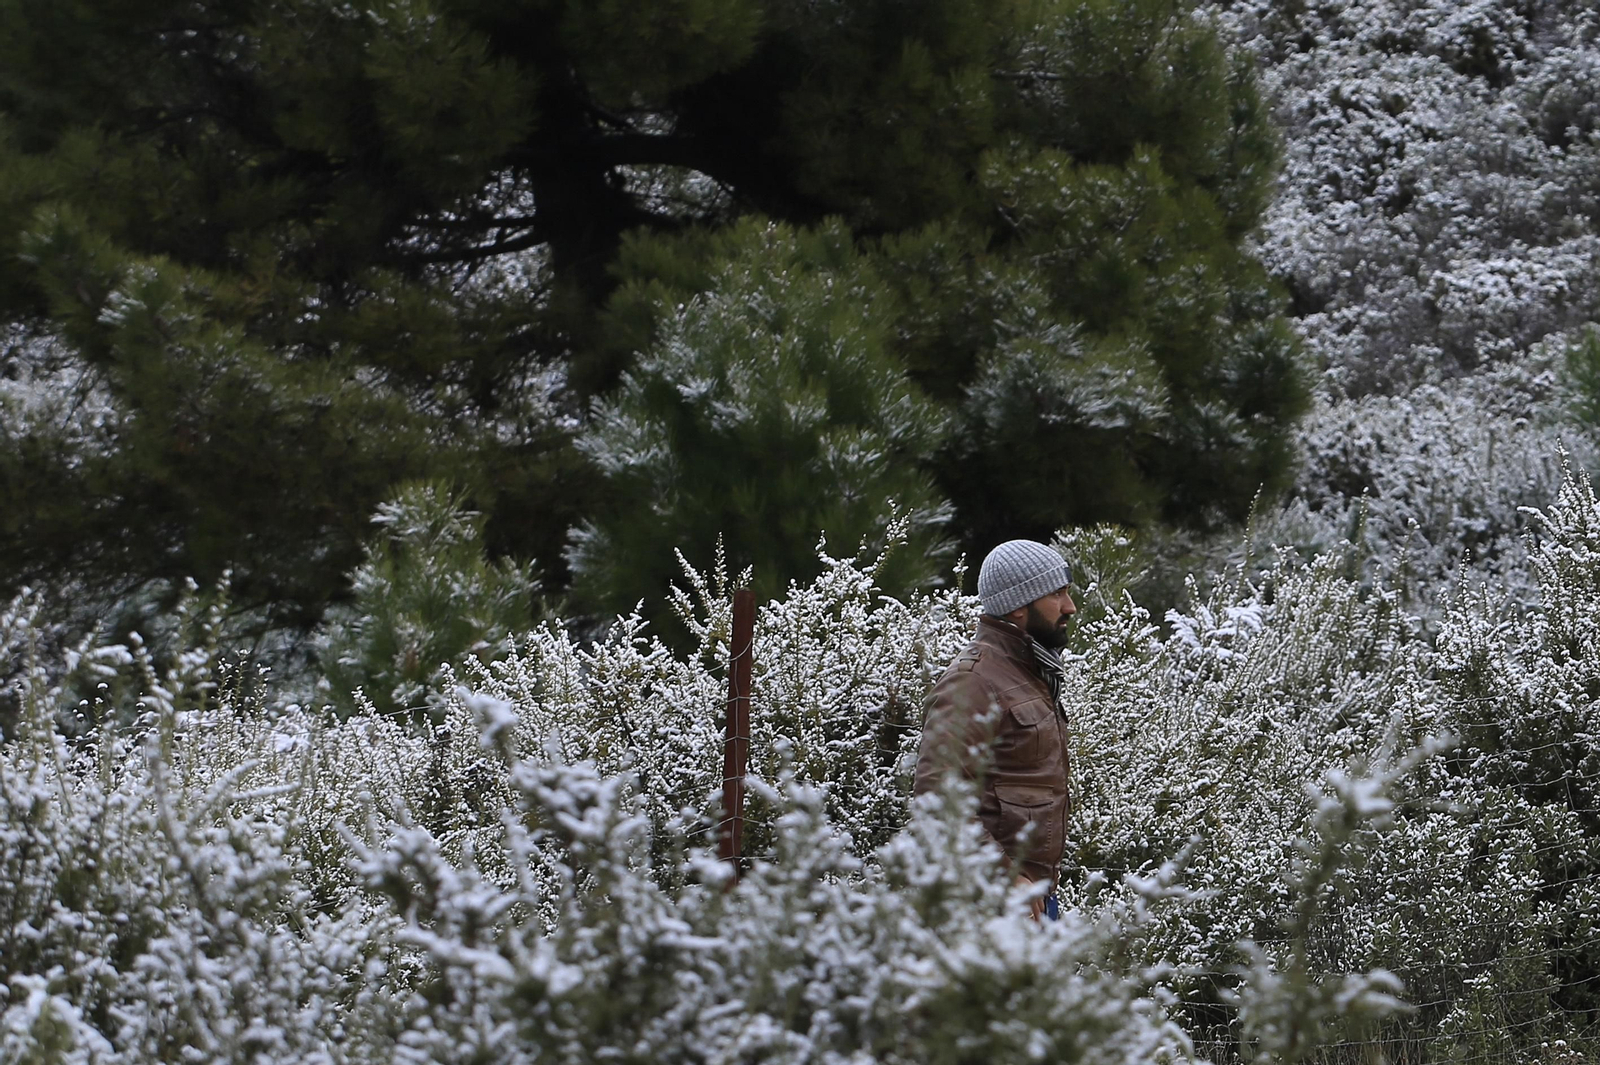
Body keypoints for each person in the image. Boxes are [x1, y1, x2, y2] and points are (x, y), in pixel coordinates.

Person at [914, 539, 1076, 920]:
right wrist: (1003, 877)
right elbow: (936, 800)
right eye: (1057, 593)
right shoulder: (974, 681)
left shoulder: (1028, 672)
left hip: (1032, 897)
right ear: (1019, 605)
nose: (1070, 607)